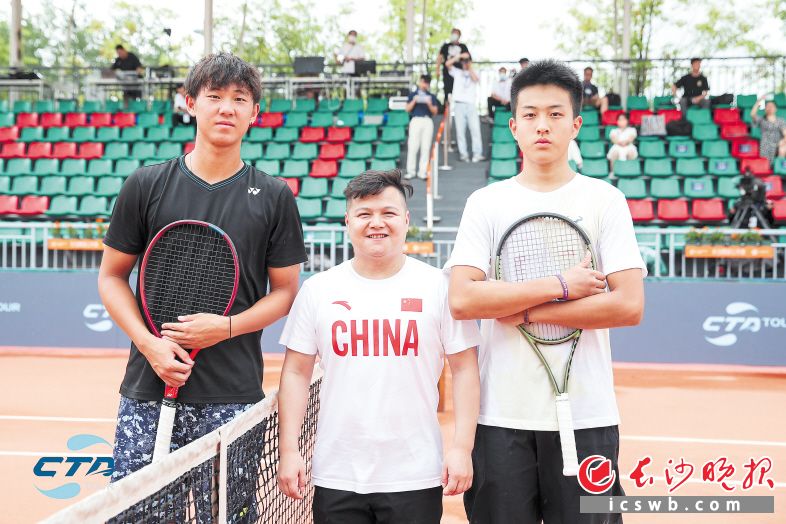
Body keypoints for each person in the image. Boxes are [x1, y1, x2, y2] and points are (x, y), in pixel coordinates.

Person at [446, 59, 646, 524]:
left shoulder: (605, 200)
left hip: (588, 416)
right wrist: (561, 287)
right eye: (531, 114)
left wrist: (526, 311)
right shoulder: (486, 203)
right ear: (513, 126)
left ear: (575, 125)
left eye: (556, 114)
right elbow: (463, 299)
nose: (542, 125)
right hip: (500, 418)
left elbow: (629, 305)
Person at [98, 53, 307, 489]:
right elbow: (111, 276)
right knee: (141, 515)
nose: (226, 108)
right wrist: (150, 345)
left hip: (232, 396)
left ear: (255, 112)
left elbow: (285, 292)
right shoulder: (145, 185)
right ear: (191, 103)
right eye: (214, 96)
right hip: (149, 387)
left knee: (230, 515)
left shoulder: (274, 197)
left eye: (239, 99)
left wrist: (226, 328)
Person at [277, 169, 481, 524]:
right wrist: (289, 450)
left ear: (406, 220)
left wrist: (462, 448)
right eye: (364, 214)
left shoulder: (438, 287)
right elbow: (295, 372)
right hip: (336, 472)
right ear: (347, 221)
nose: (376, 223)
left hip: (415, 473)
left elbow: (464, 369)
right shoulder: (318, 290)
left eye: (388, 213)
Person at [446, 52, 484, 162]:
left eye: (467, 61)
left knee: (475, 129)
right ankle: (464, 155)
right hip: (459, 104)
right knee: (460, 131)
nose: (465, 62)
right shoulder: (457, 72)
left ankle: (477, 154)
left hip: (471, 104)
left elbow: (476, 79)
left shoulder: (475, 71)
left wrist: (469, 67)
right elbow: (447, 64)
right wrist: (459, 56)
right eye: (464, 61)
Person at [405, 75, 439, 180]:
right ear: (420, 82)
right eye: (423, 82)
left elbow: (435, 111)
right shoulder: (412, 94)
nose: (425, 84)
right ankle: (410, 171)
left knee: (426, 147)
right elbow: (407, 109)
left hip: (427, 120)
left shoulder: (431, 96)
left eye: (427, 82)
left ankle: (422, 172)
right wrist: (414, 100)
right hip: (416, 120)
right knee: (413, 146)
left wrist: (429, 104)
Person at [436, 28, 470, 104]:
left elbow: (467, 56)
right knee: (447, 92)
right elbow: (439, 57)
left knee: (458, 92)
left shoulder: (462, 46)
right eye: (453, 33)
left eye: (456, 33)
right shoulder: (446, 46)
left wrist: (458, 56)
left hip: (459, 74)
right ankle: (446, 108)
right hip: (447, 73)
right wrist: (437, 70)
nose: (454, 35)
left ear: (459, 36)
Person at [750, 94, 786, 161]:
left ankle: (780, 166)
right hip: (765, 145)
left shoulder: (781, 121)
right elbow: (752, 114)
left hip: (778, 144)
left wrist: (782, 142)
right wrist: (759, 101)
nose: (770, 108)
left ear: (776, 108)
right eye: (768, 106)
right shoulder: (762, 120)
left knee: (783, 148)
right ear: (765, 109)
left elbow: (785, 134)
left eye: (772, 106)